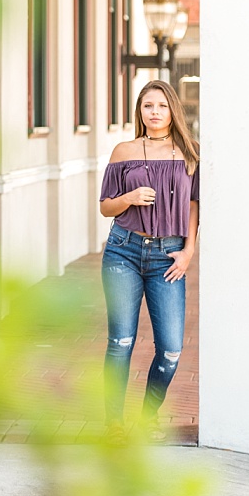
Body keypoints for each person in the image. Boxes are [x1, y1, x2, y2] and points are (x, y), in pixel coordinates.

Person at [99, 79, 200, 443]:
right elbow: (105, 207)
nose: (154, 112)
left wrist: (188, 251)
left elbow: (193, 206)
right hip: (123, 250)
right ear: (139, 111)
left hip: (167, 257)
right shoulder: (124, 150)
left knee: (171, 348)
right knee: (121, 342)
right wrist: (128, 196)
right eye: (147, 106)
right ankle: (114, 424)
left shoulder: (190, 155)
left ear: (173, 110)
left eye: (161, 105)